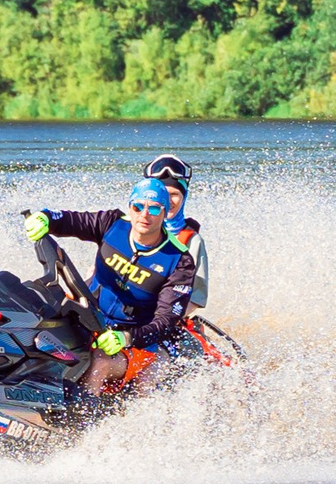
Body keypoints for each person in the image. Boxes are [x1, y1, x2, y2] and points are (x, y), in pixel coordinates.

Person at [22, 178, 199, 372]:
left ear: (165, 213)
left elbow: (165, 322)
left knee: (100, 362)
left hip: (134, 339)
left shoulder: (180, 261)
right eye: (138, 207)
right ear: (130, 207)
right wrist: (46, 218)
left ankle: (86, 402)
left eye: (155, 209)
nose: (145, 215)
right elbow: (69, 220)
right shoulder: (111, 223)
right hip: (87, 316)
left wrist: (126, 338)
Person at [143, 153, 208, 309]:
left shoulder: (192, 241)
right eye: (163, 194)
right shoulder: (132, 228)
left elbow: (196, 299)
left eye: (174, 195)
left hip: (164, 318)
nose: (168, 201)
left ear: (184, 197)